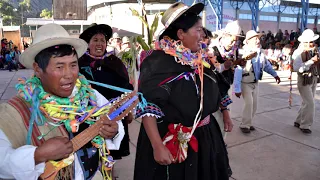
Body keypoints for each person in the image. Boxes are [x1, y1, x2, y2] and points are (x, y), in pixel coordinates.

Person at [0, 23, 124, 180]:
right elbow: (2, 162)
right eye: (59, 67)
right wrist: (37, 155)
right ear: (38, 69)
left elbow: (113, 122)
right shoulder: (15, 111)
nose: (69, 75)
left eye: (73, 65)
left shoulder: (89, 94)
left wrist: (113, 131)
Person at [134, 2, 232, 180]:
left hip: (206, 135)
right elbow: (148, 106)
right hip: (172, 140)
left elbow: (216, 86)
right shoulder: (158, 62)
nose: (203, 35)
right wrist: (157, 146)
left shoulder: (200, 59)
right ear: (181, 34)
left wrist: (225, 112)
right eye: (198, 30)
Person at [78, 24, 133, 160]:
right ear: (88, 44)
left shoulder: (114, 62)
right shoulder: (79, 63)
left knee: (110, 151)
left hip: (112, 116)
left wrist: (129, 111)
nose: (99, 44)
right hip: (86, 116)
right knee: (89, 153)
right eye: (95, 40)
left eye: (102, 40)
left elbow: (126, 89)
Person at [233, 30, 281, 133]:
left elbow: (267, 66)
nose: (258, 40)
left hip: (255, 83)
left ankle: (249, 123)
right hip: (245, 83)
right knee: (249, 104)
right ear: (248, 41)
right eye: (255, 38)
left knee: (255, 105)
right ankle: (244, 125)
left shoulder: (261, 53)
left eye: (258, 38)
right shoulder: (242, 53)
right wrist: (237, 88)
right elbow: (238, 71)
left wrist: (275, 75)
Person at [292, 29, 320, 134]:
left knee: (306, 102)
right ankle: (305, 125)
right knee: (310, 103)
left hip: (313, 78)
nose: (310, 44)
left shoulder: (314, 50)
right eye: (308, 42)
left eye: (312, 41)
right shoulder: (298, 53)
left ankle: (299, 121)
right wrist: (310, 62)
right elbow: (297, 68)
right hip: (303, 80)